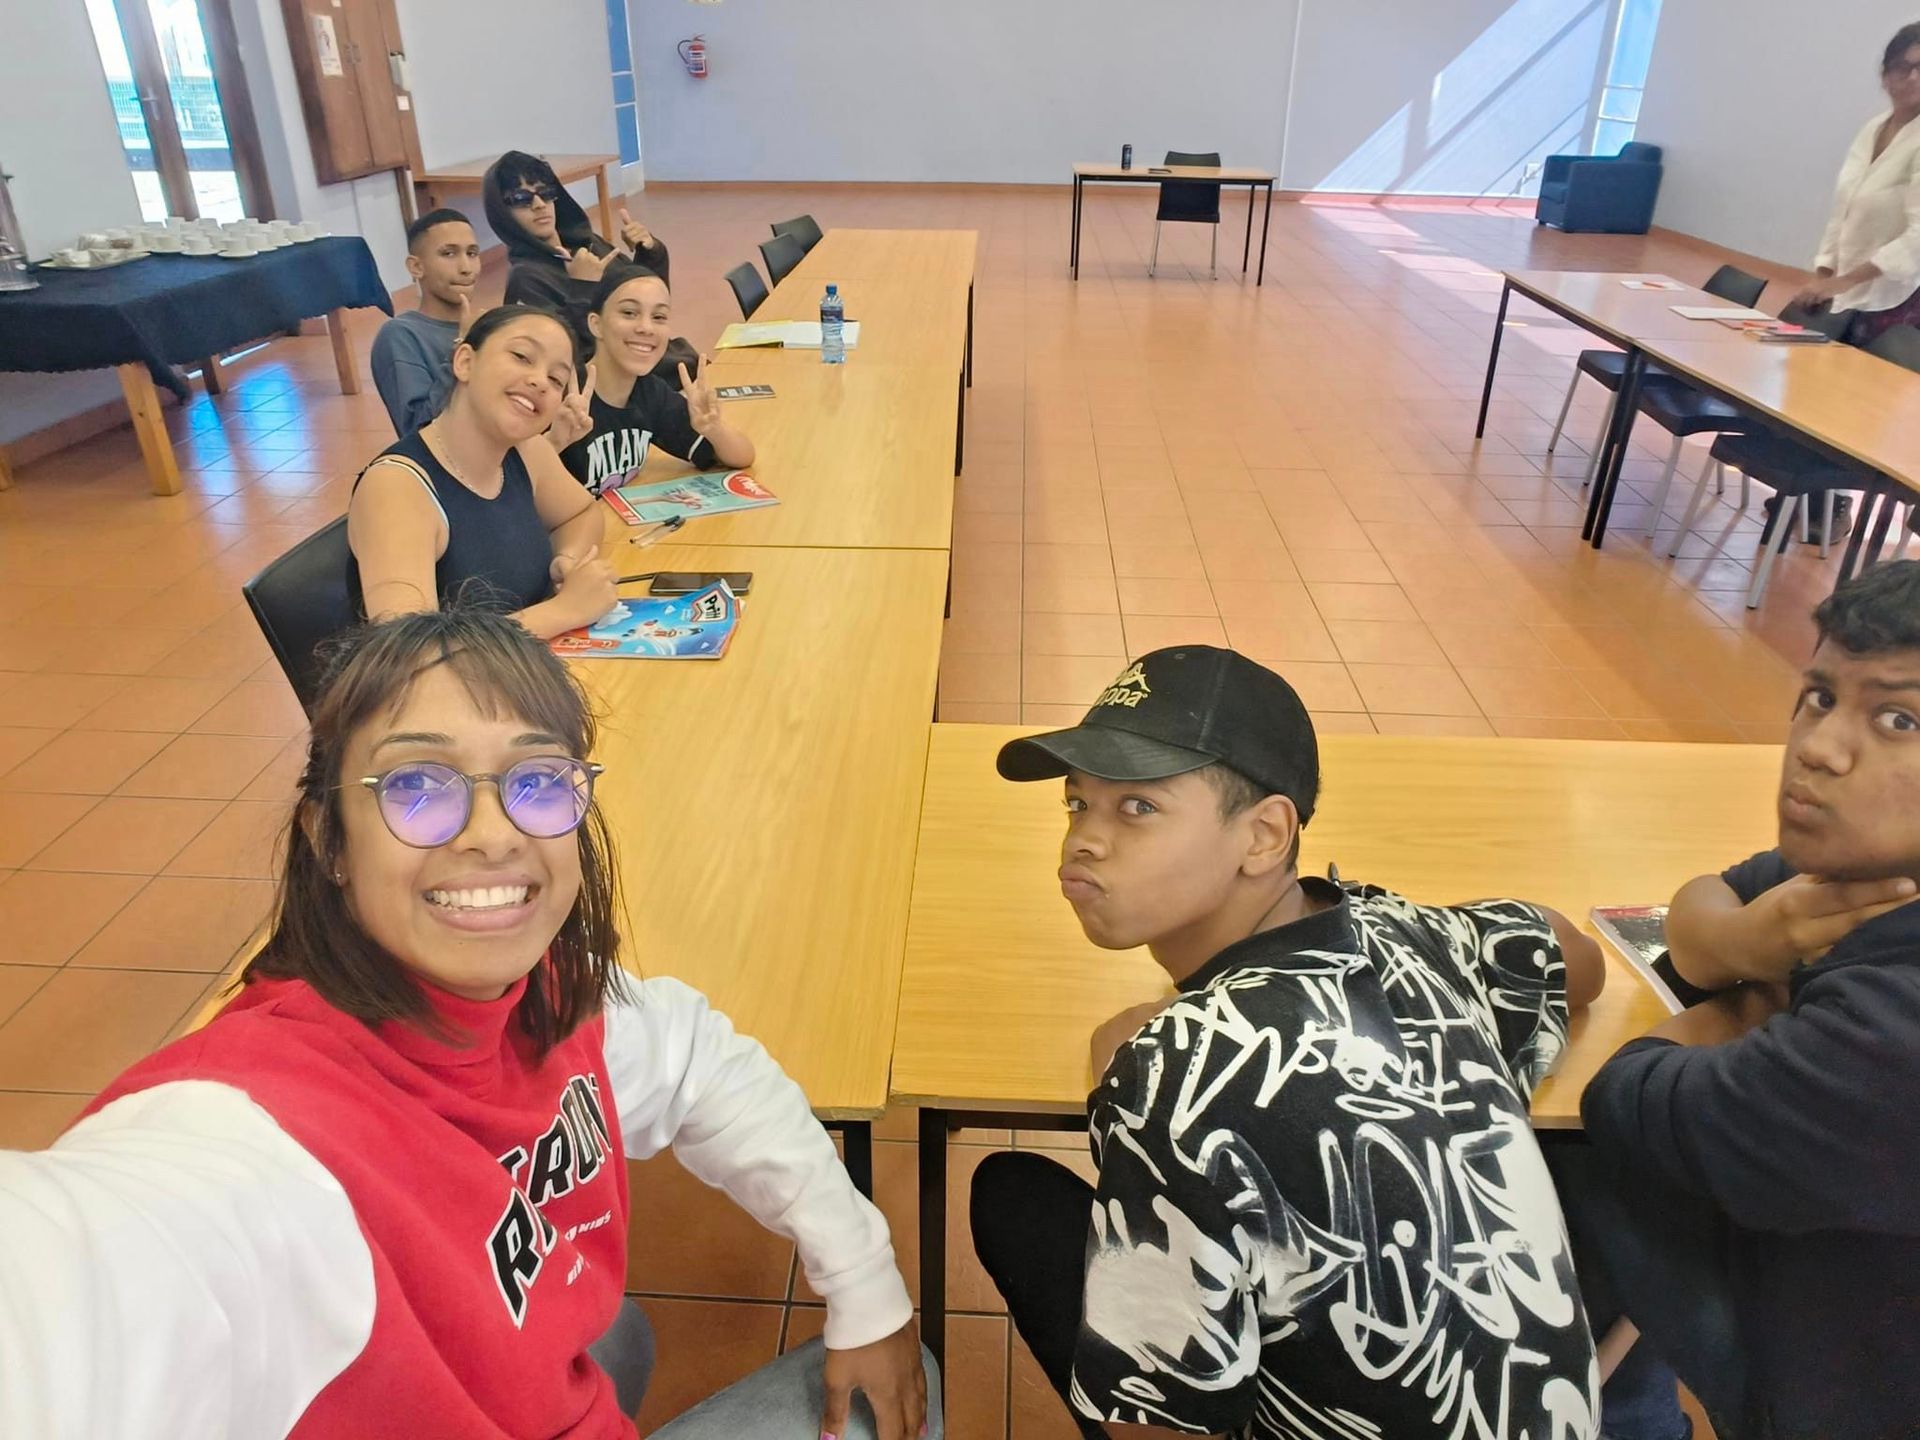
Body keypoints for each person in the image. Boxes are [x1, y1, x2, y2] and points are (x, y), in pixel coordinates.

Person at [0, 607, 938, 1440]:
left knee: (613, 1330)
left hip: (538, 1390)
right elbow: (74, 1292)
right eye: (417, 785)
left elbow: (701, 1063)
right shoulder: (251, 1143)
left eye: (537, 778)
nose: (493, 833)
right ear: (328, 840)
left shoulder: (546, 995)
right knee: (911, 1387)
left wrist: (864, 1283)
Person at [967, 646, 1607, 1440]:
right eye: (1077, 803)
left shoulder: (1171, 1080)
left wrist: (1126, 1077)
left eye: (1137, 807)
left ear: (1265, 834)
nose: (1083, 842)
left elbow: (1151, 1428)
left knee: (1012, 1199)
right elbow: (1574, 956)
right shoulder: (1403, 930)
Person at [1571, 560, 1920, 1440]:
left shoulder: (1894, 1040)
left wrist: (1738, 1002)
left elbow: (1628, 1094)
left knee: (1566, 1162)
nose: (1820, 747)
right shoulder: (1874, 871)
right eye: (1819, 697)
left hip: (1844, 1385)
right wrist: (1751, 949)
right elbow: (1697, 912)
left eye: (1898, 719)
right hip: (1834, 1242)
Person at [348, 302, 616, 641]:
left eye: (556, 378)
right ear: (465, 362)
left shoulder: (527, 451)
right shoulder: (395, 489)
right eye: (521, 356)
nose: (540, 381)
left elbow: (581, 513)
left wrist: (567, 559)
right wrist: (564, 610)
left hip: (527, 664)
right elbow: (411, 654)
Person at [482, 150, 696, 379]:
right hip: (621, 381)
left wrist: (650, 251)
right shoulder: (526, 279)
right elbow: (562, 359)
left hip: (661, 358)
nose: (539, 204)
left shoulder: (586, 244)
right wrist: (582, 288)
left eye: (545, 193)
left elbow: (651, 303)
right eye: (521, 199)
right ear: (503, 214)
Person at [559, 264, 755, 496]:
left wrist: (715, 429)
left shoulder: (651, 394)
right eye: (629, 313)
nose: (646, 328)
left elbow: (743, 457)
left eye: (659, 317)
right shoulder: (563, 394)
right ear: (596, 324)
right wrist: (553, 442)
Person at [1794, 22, 1920, 346]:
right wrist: (1824, 275)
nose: (1913, 77)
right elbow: (1844, 209)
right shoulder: (1873, 128)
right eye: (1903, 67)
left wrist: (1844, 282)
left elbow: (1917, 238)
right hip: (1849, 290)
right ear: (1885, 76)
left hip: (1900, 296)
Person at [369, 208, 481, 437]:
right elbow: (420, 429)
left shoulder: (486, 326)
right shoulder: (400, 335)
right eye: (449, 254)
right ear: (416, 267)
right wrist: (462, 346)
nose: (466, 268)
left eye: (472, 253)